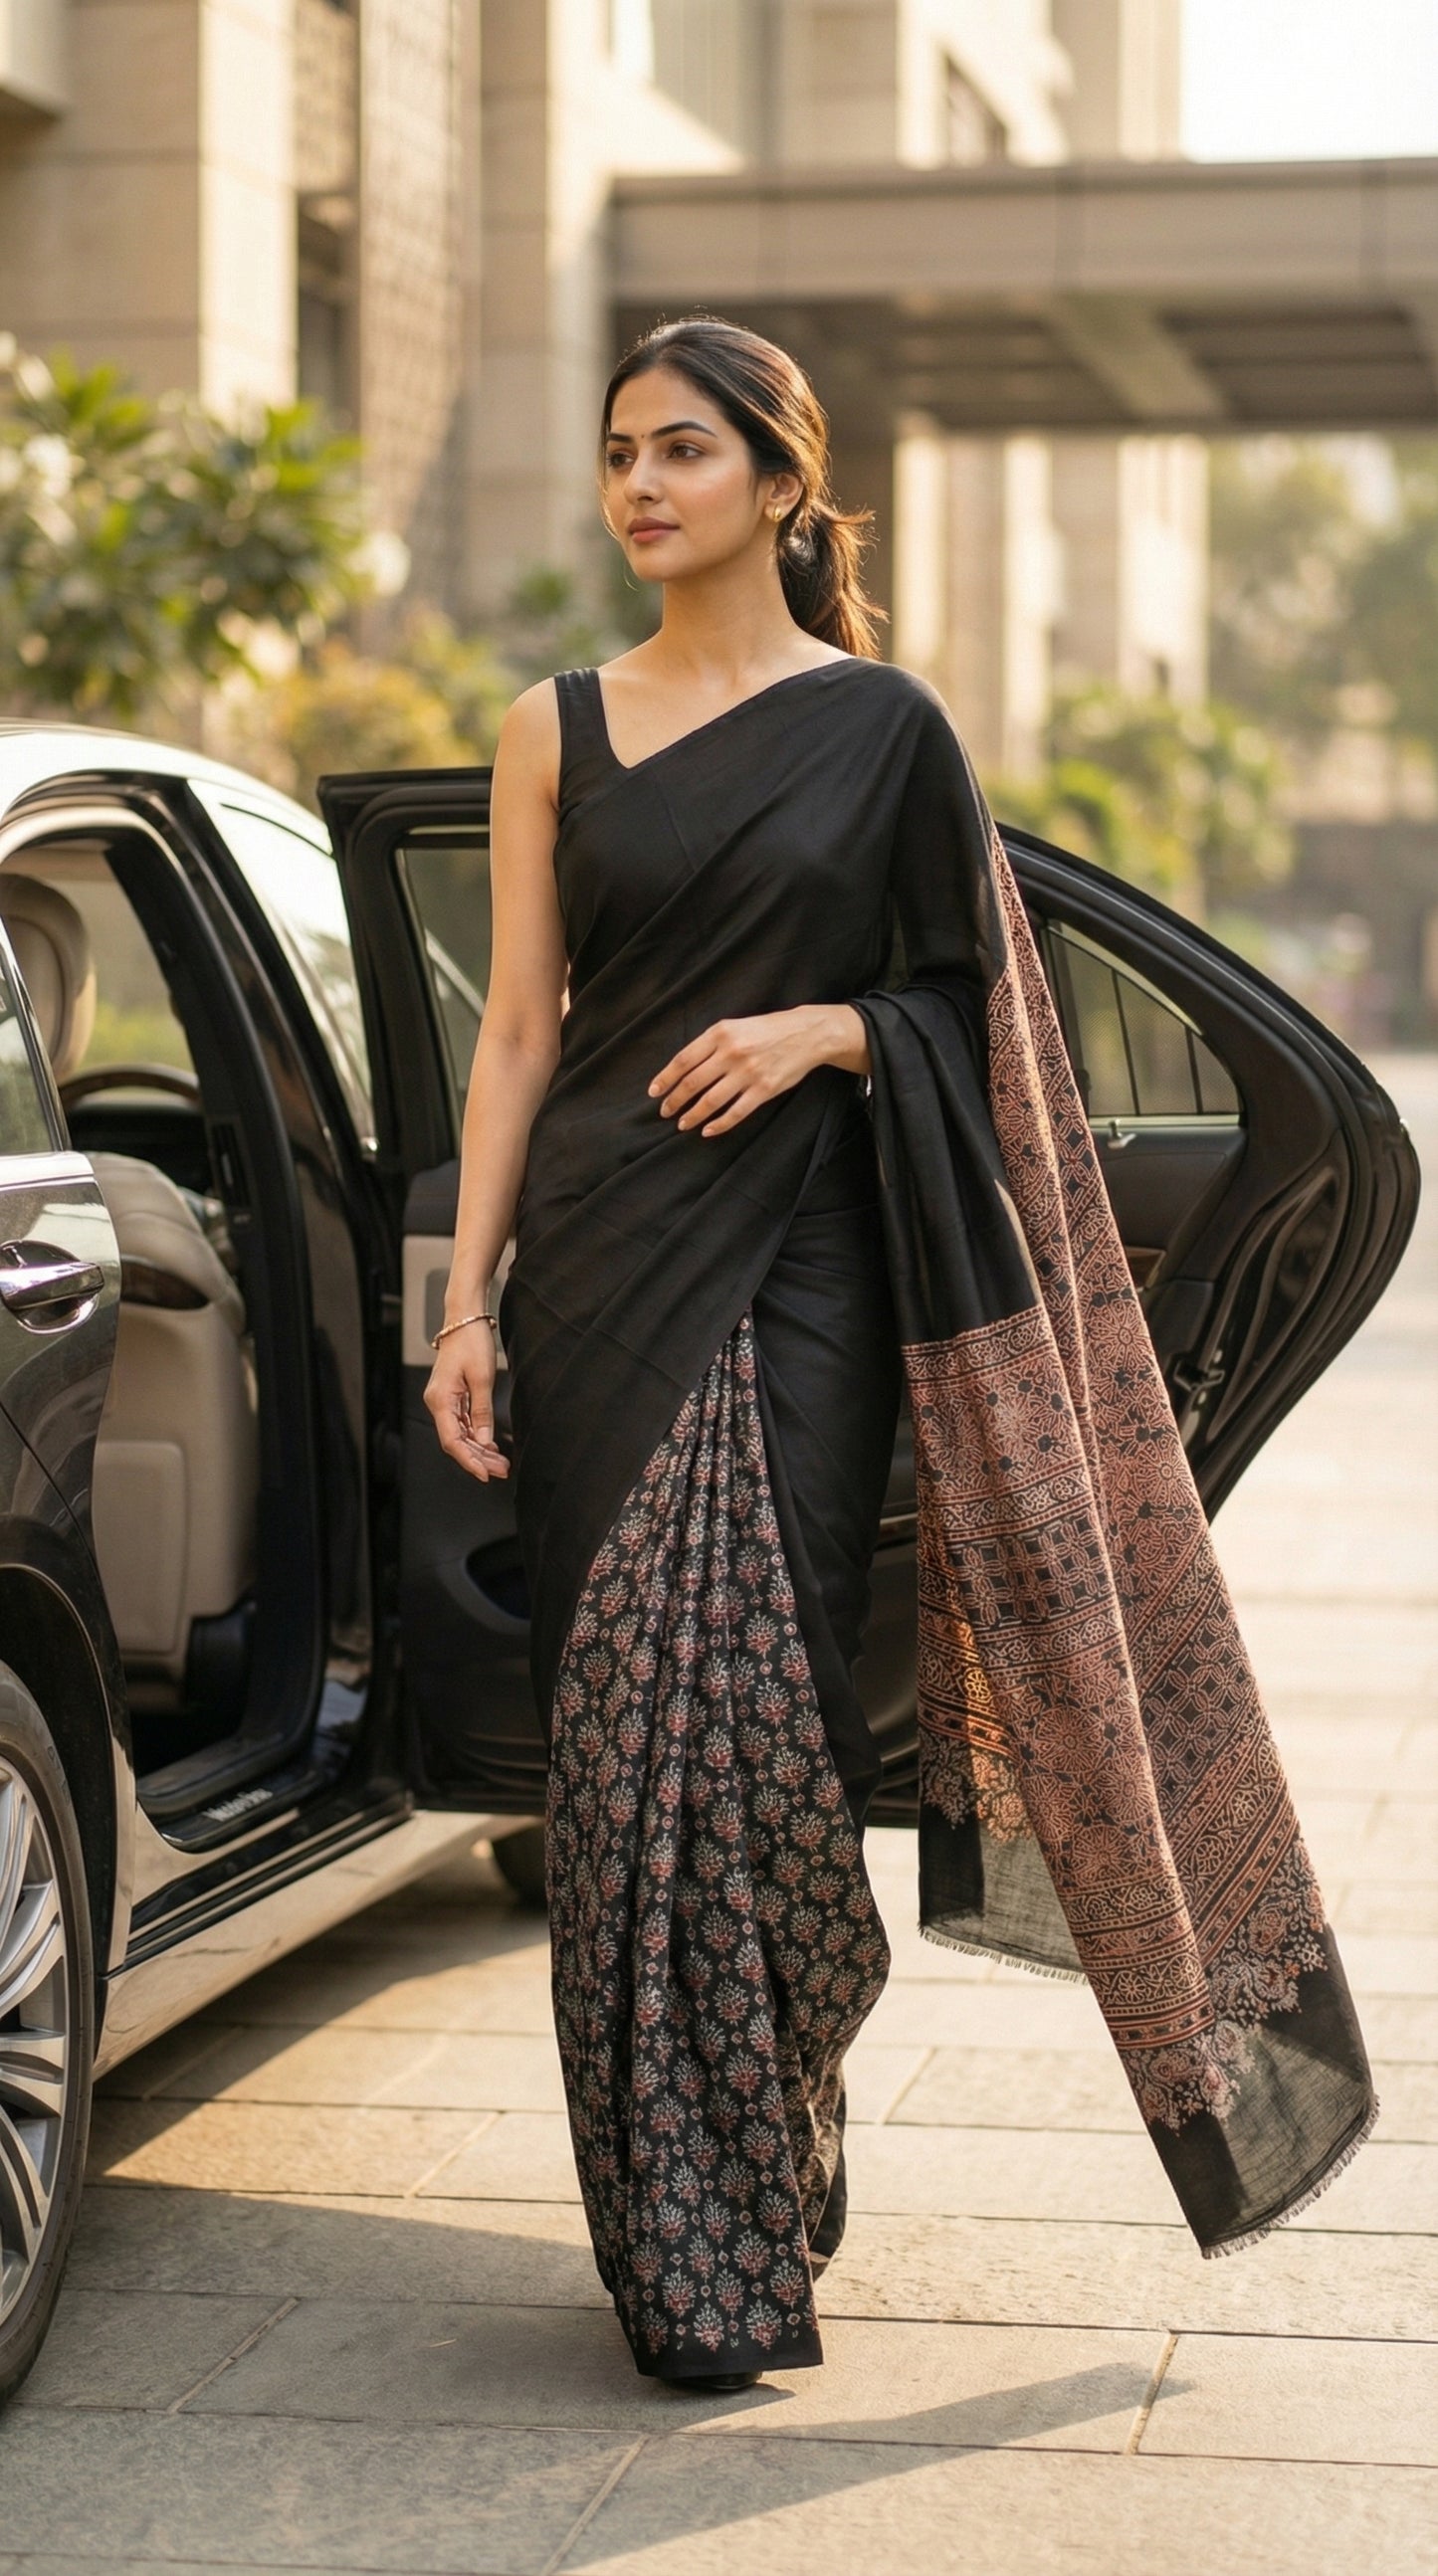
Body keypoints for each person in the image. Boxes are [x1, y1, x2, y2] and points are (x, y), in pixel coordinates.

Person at [425, 316, 1375, 2394]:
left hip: (805, 1267)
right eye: (617, 455)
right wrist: (464, 1290)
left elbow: (983, 1013)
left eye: (684, 449)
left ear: (781, 480)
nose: (641, 485)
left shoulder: (886, 731)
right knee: (621, 1752)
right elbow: (514, 1029)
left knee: (762, 1735)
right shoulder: (549, 727)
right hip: (594, 1260)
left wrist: (830, 1031)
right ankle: (693, 2247)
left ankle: (801, 2031)